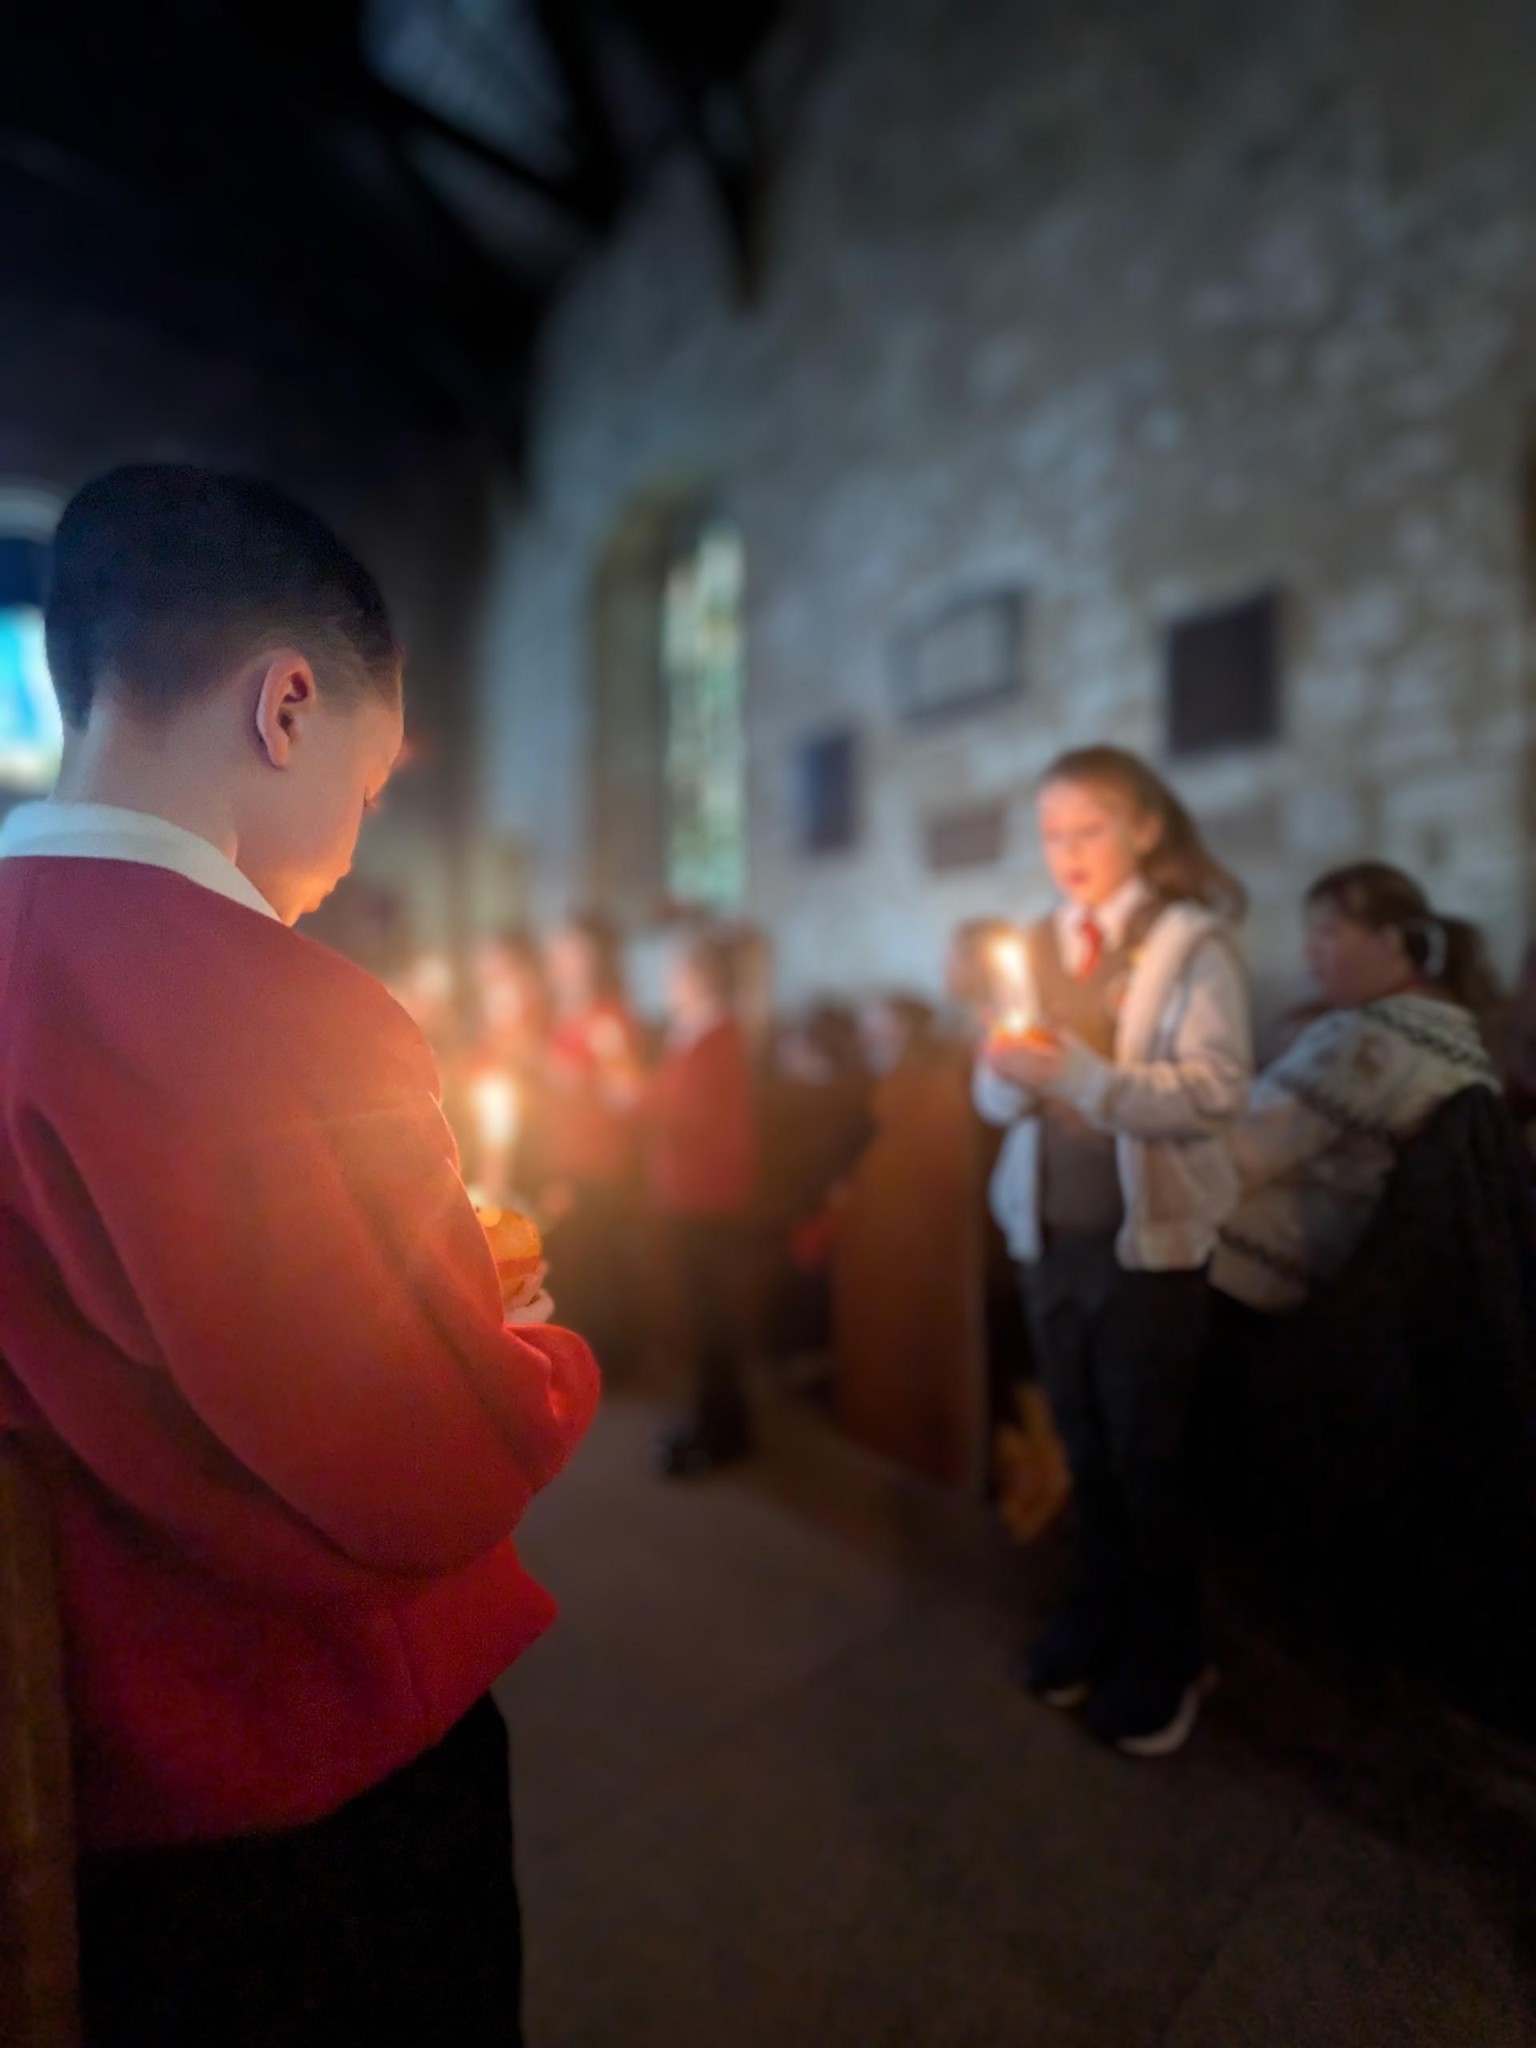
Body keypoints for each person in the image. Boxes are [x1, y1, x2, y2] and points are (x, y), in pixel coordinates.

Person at [0, 466, 600, 2048]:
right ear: (286, 706)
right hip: (297, 1766)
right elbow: (426, 1465)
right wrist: (532, 1344)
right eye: (372, 773)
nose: (353, 831)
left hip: (78, 1748)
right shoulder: (281, 1009)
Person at [975, 744, 1251, 1756]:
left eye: (1088, 828)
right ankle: (1097, 1611)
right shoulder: (1040, 941)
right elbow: (995, 1094)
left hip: (1147, 1245)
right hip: (1049, 1231)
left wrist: (1087, 1076)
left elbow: (1218, 1087)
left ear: (1142, 827)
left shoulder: (1191, 941)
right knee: (1083, 1443)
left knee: (1149, 1455)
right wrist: (1007, 1075)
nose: (1067, 852)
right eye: (1052, 833)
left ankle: (1171, 1648)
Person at [1213, 862, 1500, 1314]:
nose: (1310, 954)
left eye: (1327, 933)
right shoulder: (1453, 1034)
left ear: (1388, 942)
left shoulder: (1370, 1038)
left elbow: (1237, 1156)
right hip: (1366, 1295)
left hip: (1280, 1286)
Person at [648, 928, 760, 1476]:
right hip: (685, 1191)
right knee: (698, 1319)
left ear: (702, 975)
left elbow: (702, 1121)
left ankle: (722, 1432)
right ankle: (708, 1423)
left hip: (708, 1196)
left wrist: (637, 1097)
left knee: (712, 1321)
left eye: (677, 971)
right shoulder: (695, 1032)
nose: (669, 981)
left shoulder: (720, 1035)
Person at [539, 912, 645, 1376]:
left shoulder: (607, 1015)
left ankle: (611, 1361)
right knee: (573, 1258)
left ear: (594, 959)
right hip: (564, 1149)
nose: (559, 957)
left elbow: (621, 1092)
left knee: (597, 1259)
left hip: (597, 1157)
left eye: (571, 949)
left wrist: (561, 1076)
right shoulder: (565, 1009)